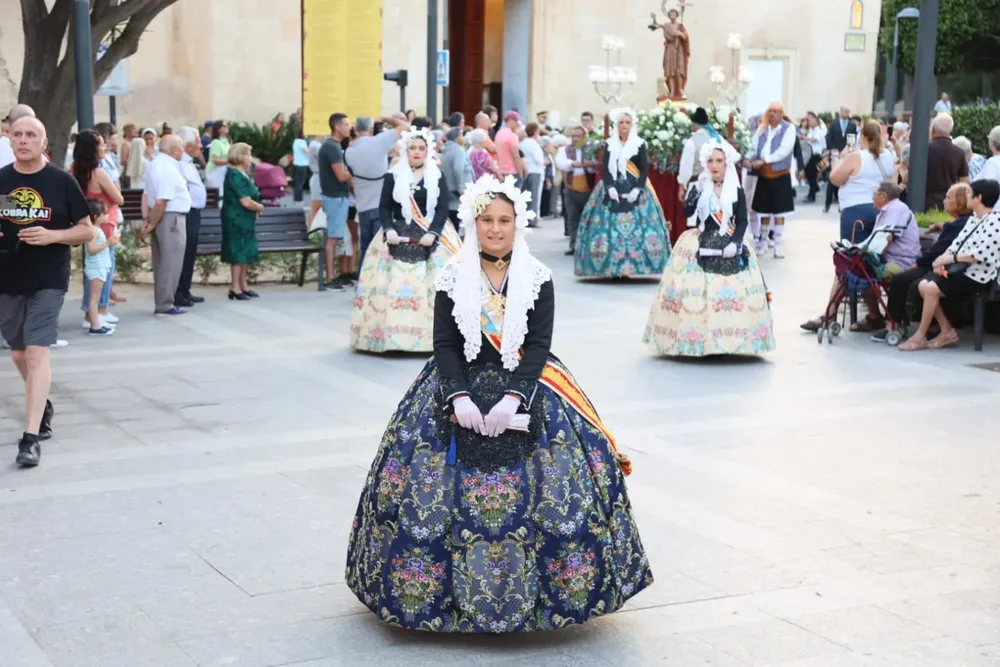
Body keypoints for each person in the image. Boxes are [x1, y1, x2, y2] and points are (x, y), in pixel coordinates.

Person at [345, 174, 651, 631]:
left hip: (526, 384)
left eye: (504, 219)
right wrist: (458, 396)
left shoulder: (538, 278)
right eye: (486, 219)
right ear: (473, 222)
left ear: (518, 223)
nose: (494, 228)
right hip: (460, 383)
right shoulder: (452, 275)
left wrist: (513, 398)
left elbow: (541, 344)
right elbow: (445, 344)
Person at [0, 116, 94, 467]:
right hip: (7, 278)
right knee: (19, 355)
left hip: (48, 278)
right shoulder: (2, 181)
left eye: (32, 135)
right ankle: (44, 404)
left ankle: (30, 437)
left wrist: (53, 235)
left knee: (37, 354)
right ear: (9, 140)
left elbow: (87, 232)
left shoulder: (61, 182)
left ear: (44, 143)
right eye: (18, 134)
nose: (24, 140)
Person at [644, 139, 775, 356]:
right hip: (701, 240)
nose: (714, 165)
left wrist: (735, 242)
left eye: (719, 161)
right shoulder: (700, 186)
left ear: (727, 163)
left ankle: (731, 342)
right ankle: (696, 341)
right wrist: (692, 196)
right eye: (710, 161)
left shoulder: (736, 190)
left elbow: (742, 220)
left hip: (730, 241)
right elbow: (687, 213)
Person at [349, 128, 462, 353]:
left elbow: (442, 209)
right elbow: (384, 207)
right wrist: (388, 229)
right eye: (413, 148)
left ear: (428, 150)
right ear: (405, 150)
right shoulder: (393, 175)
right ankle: (390, 339)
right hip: (397, 233)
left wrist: (434, 232)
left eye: (421, 148)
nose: (417, 152)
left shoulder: (437, 175)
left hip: (431, 230)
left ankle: (435, 340)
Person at [800, 180, 920, 334]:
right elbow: (876, 241)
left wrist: (861, 249)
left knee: (854, 269)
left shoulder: (897, 209)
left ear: (883, 196)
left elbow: (884, 239)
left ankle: (831, 316)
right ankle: (871, 316)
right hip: (889, 258)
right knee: (853, 267)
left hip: (901, 262)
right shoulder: (886, 211)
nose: (872, 199)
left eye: (874, 195)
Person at [900, 179, 1000, 351]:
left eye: (969, 193)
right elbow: (957, 243)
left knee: (930, 288)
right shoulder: (975, 219)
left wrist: (948, 259)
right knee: (924, 285)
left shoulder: (996, 222)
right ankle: (946, 331)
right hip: (960, 270)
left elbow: (979, 255)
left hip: (978, 276)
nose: (966, 197)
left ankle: (920, 336)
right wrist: (942, 260)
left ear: (979, 197)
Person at [574, 108, 671, 279]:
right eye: (621, 122)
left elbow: (643, 170)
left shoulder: (639, 144)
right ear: (616, 125)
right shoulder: (609, 144)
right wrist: (609, 187)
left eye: (627, 122)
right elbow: (605, 169)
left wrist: (638, 189)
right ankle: (611, 267)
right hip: (612, 190)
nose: (624, 126)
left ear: (632, 125)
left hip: (635, 189)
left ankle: (636, 267)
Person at [874, 182, 972, 342]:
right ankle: (906, 324)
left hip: (945, 267)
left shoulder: (961, 224)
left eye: (948, 197)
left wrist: (918, 263)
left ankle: (894, 325)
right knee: (906, 280)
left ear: (960, 202)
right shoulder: (960, 223)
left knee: (901, 280)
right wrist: (942, 226)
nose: (944, 201)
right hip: (941, 264)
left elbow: (938, 250)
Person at [71, 130, 124, 329]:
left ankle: (93, 311)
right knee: (104, 270)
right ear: (92, 150)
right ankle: (99, 310)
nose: (104, 147)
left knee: (92, 269)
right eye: (100, 145)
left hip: (88, 223)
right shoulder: (99, 173)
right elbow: (119, 199)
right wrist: (116, 187)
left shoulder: (75, 169)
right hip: (105, 223)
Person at [344, 114, 409, 270]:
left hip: (362, 206)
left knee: (366, 247)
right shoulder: (378, 142)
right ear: (371, 128)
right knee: (381, 249)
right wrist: (385, 118)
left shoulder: (348, 151)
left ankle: (362, 282)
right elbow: (405, 126)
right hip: (381, 205)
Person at [140, 135, 191, 316]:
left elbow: (146, 195)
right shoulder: (168, 168)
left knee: (161, 261)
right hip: (171, 217)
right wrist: (152, 223)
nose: (183, 150)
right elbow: (162, 201)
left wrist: (147, 219)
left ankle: (163, 301)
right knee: (171, 262)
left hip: (161, 215)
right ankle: (166, 303)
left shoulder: (155, 164)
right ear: (172, 150)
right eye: (180, 147)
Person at [830, 119, 896, 242]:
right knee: (874, 255)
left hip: (856, 209)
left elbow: (835, 179)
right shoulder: (889, 155)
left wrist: (840, 160)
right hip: (880, 210)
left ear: (863, 137)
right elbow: (893, 182)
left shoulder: (857, 156)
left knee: (852, 255)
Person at [747, 102, 797, 258]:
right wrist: (749, 159)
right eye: (770, 111)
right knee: (763, 211)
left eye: (775, 111)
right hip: (764, 174)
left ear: (782, 113)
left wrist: (765, 160)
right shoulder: (763, 128)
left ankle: (777, 246)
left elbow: (784, 151)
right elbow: (754, 147)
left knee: (780, 212)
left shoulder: (789, 128)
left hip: (780, 174)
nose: (772, 114)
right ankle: (762, 243)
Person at [221, 142, 264, 301]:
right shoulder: (233, 175)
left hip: (245, 218)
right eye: (248, 155)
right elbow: (245, 201)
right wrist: (259, 207)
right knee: (238, 252)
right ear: (240, 156)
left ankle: (243, 285)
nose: (250, 158)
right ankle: (235, 288)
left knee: (246, 250)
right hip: (236, 218)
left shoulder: (242, 173)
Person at [319, 113, 353, 291]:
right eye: (346, 124)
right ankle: (330, 278)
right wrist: (354, 171)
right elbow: (341, 175)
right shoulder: (331, 147)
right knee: (332, 238)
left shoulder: (334, 146)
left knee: (338, 237)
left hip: (338, 197)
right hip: (334, 198)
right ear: (337, 126)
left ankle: (337, 274)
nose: (349, 127)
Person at [175, 127, 208, 307]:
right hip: (187, 212)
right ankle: (179, 292)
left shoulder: (188, 162)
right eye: (197, 141)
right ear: (187, 145)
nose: (201, 145)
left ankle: (185, 290)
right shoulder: (180, 163)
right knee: (184, 253)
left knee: (190, 253)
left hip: (194, 212)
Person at [555, 125, 598, 255]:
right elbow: (561, 163)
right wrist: (572, 163)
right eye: (573, 136)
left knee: (589, 219)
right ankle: (574, 245)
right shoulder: (565, 150)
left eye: (578, 136)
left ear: (584, 137)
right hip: (571, 188)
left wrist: (587, 164)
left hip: (588, 189)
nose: (575, 139)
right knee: (573, 218)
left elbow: (595, 166)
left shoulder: (592, 149)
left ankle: (588, 246)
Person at [83, 199, 118, 336]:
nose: (107, 216)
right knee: (94, 299)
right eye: (105, 213)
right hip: (96, 268)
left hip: (100, 267)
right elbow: (91, 249)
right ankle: (95, 326)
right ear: (96, 216)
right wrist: (108, 243)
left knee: (95, 298)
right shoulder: (93, 231)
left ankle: (96, 322)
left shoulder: (97, 230)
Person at [924, 113, 968, 210]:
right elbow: (964, 182)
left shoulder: (923, 150)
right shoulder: (959, 152)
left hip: (924, 201)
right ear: (950, 130)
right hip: (950, 202)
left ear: (933, 130)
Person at [677, 107, 719, 202]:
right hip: (715, 185)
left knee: (696, 215)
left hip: (697, 186)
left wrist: (682, 187)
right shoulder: (715, 139)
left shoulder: (691, 142)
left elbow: (686, 168)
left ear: (694, 124)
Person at [824, 106, 858, 214]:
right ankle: (827, 204)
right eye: (845, 111)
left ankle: (842, 205)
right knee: (832, 178)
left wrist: (849, 152)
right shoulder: (834, 124)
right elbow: (829, 137)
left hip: (846, 154)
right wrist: (833, 149)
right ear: (841, 111)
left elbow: (852, 139)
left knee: (845, 179)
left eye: (848, 111)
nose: (846, 113)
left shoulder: (852, 125)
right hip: (835, 153)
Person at [438, 127, 470, 226]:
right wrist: (461, 188)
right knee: (454, 221)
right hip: (456, 191)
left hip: (447, 189)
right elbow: (457, 169)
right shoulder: (458, 150)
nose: (463, 138)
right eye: (461, 135)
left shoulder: (446, 149)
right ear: (457, 138)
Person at [520, 121, 546, 222]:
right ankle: (533, 219)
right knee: (534, 195)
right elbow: (538, 159)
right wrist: (544, 161)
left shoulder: (523, 142)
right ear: (536, 131)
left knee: (526, 195)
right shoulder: (534, 143)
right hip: (535, 170)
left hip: (526, 170)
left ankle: (526, 218)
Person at [494, 110, 525, 187]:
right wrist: (521, 174)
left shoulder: (498, 133)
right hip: (512, 172)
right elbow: (516, 156)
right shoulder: (512, 136)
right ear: (511, 120)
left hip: (500, 172)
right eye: (517, 120)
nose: (518, 123)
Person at [801, 112, 826, 202]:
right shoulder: (811, 130)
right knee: (809, 174)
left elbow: (815, 139)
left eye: (811, 120)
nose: (809, 123)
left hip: (816, 156)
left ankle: (812, 195)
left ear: (816, 122)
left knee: (812, 174)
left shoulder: (818, 130)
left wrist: (803, 137)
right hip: (809, 155)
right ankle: (815, 188)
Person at [291, 128, 310, 202]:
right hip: (302, 165)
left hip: (296, 163)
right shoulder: (302, 142)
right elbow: (307, 151)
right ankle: (299, 199)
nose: (308, 135)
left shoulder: (296, 141)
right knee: (300, 183)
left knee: (298, 182)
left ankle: (296, 198)